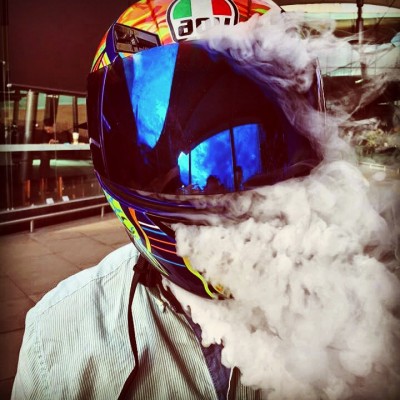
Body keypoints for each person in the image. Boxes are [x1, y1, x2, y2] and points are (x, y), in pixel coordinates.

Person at [12, 1, 325, 398]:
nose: (225, 195)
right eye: (181, 167)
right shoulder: (59, 336)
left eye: (266, 153)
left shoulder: (348, 306)